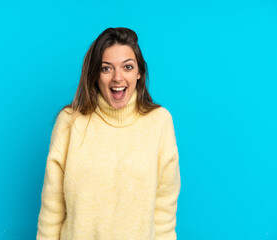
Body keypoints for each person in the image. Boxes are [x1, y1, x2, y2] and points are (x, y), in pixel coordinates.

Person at [36, 27, 181, 240]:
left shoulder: (159, 122)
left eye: (128, 67)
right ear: (95, 74)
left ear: (139, 72)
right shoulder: (70, 122)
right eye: (106, 69)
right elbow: (52, 209)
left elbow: (164, 213)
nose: (117, 78)